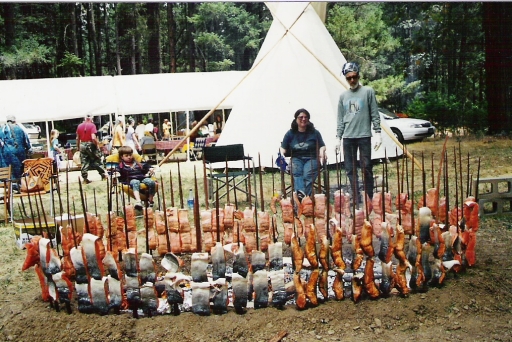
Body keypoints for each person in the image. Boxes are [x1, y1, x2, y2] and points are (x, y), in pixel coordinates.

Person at [336, 62, 381, 201]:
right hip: (348, 137)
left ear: (358, 76)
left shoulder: (368, 91)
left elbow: (374, 113)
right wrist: (338, 137)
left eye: (354, 77)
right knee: (350, 169)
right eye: (349, 78)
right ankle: (356, 197)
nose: (352, 80)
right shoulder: (343, 96)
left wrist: (378, 132)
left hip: (364, 136)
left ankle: (368, 196)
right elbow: (340, 119)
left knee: (366, 166)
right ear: (346, 79)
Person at [280, 108, 326, 198]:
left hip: (312, 158)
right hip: (296, 159)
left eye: (306, 117)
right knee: (297, 173)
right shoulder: (290, 133)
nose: (303, 119)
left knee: (307, 174)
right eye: (301, 117)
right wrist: (281, 154)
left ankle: (301, 198)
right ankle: (304, 198)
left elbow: (322, 145)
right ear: (296, 119)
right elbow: (283, 148)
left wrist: (322, 151)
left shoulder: (315, 133)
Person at [76, 114, 107, 184]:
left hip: (82, 144)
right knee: (97, 159)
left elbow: (77, 138)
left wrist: (78, 147)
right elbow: (93, 137)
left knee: (84, 162)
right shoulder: (92, 125)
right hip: (90, 144)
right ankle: (103, 175)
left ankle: (85, 178)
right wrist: (97, 145)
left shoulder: (79, 126)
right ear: (91, 118)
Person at [1, 115, 32, 182]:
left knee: (10, 170)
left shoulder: (3, 129)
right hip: (20, 152)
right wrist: (28, 148)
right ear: (14, 121)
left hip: (7, 153)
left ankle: (11, 184)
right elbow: (26, 140)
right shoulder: (20, 129)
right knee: (19, 169)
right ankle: (20, 184)